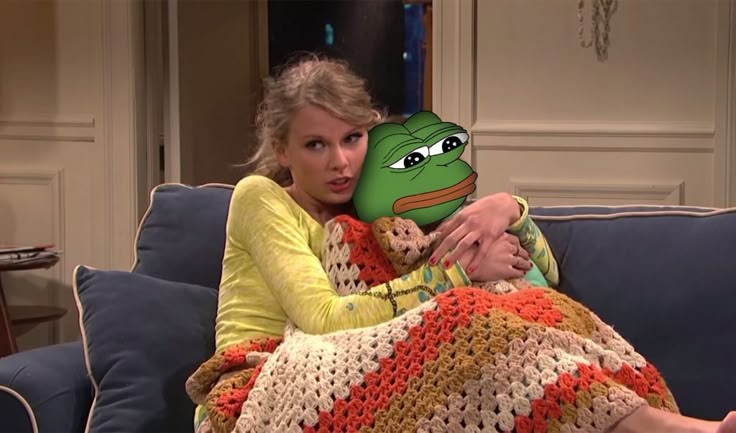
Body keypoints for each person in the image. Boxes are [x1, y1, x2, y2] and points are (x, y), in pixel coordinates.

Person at [193, 54, 735, 433]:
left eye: (352, 138)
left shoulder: (375, 204)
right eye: (316, 145)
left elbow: (544, 269)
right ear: (281, 149)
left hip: (353, 360)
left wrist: (508, 209)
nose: (340, 162)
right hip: (264, 383)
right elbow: (323, 317)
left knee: (531, 304)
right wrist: (460, 273)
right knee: (461, 317)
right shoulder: (260, 197)